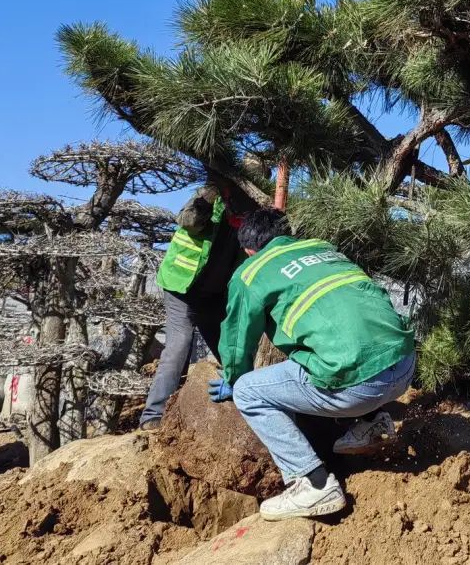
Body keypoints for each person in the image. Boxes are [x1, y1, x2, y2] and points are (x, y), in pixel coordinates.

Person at [208, 208, 416, 521]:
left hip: (358, 385)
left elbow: (238, 340)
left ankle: (312, 483)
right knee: (336, 344)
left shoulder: (250, 272)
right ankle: (373, 422)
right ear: (287, 234)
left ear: (249, 250)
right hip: (404, 364)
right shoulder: (322, 248)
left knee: (250, 392)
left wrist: (235, 379)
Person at [139, 184, 242, 430]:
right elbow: (188, 220)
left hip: (215, 292)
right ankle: (154, 415)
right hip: (182, 286)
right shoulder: (211, 196)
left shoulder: (251, 211)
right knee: (179, 345)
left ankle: (246, 403)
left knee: (229, 348)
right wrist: (207, 197)